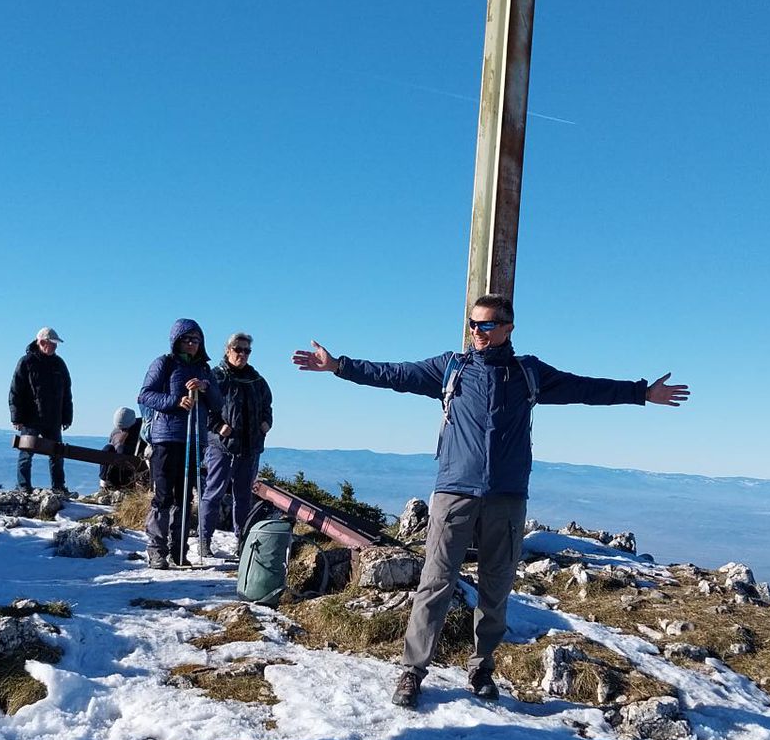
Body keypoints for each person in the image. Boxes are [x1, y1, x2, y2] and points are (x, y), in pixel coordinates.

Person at [293, 294, 689, 706]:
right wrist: (338, 365)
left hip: (507, 496)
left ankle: (481, 668)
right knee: (435, 582)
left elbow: (585, 388)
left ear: (507, 328)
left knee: (496, 586)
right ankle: (413, 670)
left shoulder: (528, 373)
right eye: (472, 324)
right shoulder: (450, 367)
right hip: (454, 492)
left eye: (485, 325)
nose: (476, 333)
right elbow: (394, 373)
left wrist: (642, 393)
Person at [137, 318, 211, 568]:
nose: (191, 344)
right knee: (164, 496)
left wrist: (205, 387)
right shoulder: (164, 363)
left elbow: (218, 402)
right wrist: (175, 401)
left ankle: (179, 551)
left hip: (194, 438)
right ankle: (157, 550)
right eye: (186, 339)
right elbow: (145, 395)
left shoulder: (204, 369)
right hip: (166, 438)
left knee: (185, 497)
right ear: (176, 341)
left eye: (196, 340)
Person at [199, 332, 273, 560]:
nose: (242, 354)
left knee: (243, 497)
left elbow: (267, 406)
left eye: (247, 350)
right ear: (227, 350)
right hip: (222, 446)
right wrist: (217, 426)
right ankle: (204, 540)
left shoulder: (257, 380)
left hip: (250, 448)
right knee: (214, 493)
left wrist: (266, 423)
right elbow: (203, 407)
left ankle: (242, 542)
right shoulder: (216, 377)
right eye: (238, 349)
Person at [9, 326, 72, 498]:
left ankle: (59, 487)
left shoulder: (59, 364)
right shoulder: (26, 362)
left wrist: (67, 417)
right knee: (26, 453)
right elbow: (15, 391)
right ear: (42, 342)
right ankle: (24, 487)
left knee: (57, 453)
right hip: (30, 418)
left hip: (54, 418)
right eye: (53, 343)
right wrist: (16, 418)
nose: (55, 347)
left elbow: (67, 393)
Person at [99, 407, 144, 490]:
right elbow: (112, 444)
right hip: (118, 460)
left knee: (119, 450)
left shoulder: (142, 427)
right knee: (107, 449)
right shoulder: (115, 432)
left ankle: (120, 484)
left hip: (132, 459)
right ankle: (104, 482)